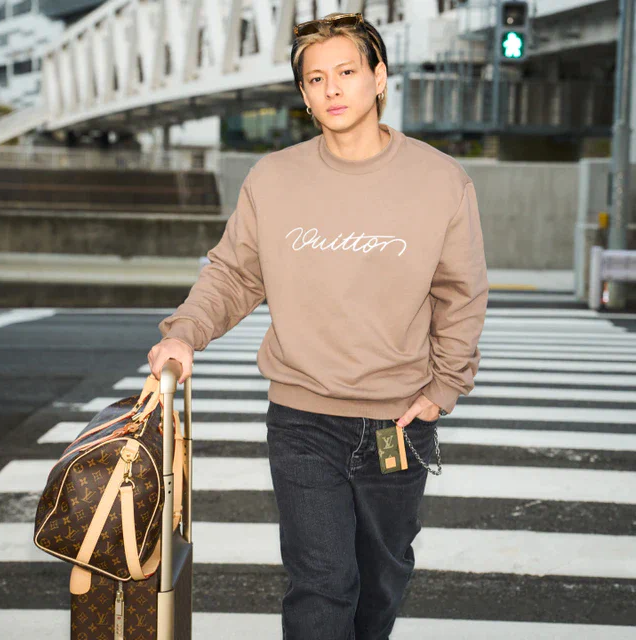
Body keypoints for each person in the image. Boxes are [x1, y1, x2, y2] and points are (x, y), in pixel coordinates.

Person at [148, 11, 489, 640]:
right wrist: (184, 331)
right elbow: (234, 274)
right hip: (302, 418)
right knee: (322, 584)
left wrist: (443, 389)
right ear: (304, 95)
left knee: (381, 582)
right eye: (315, 79)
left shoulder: (441, 181)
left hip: (398, 422)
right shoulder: (275, 179)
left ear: (379, 79)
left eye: (347, 72)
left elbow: (460, 295)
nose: (332, 88)